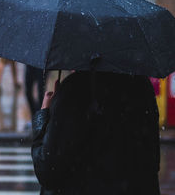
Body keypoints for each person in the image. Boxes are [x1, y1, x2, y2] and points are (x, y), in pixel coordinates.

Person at [32, 71, 160, 195]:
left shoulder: (76, 88)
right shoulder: (141, 87)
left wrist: (44, 116)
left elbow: (47, 170)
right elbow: (152, 160)